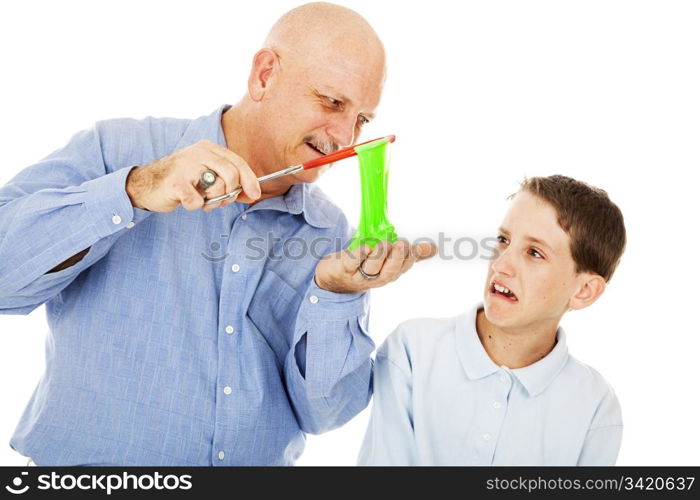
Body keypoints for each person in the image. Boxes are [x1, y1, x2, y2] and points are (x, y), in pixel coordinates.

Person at [0, 2, 434, 466]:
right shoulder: (118, 150)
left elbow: (328, 414)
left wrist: (337, 295)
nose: (344, 138)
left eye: (362, 119)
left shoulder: (329, 231)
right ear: (265, 75)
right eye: (332, 102)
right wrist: (136, 189)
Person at [358, 175, 626, 465]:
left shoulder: (596, 407)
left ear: (584, 291)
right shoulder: (412, 350)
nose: (500, 264)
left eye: (534, 253)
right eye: (503, 240)